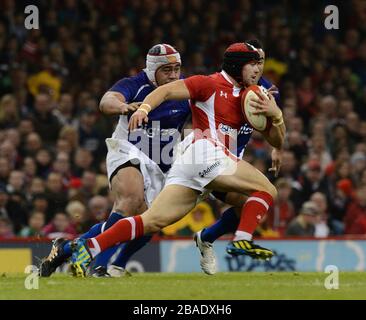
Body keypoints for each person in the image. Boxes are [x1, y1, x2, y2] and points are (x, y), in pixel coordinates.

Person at [70, 42, 286, 277]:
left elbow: (277, 140)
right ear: (236, 66)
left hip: (195, 164)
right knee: (267, 190)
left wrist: (277, 116)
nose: (258, 69)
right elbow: (167, 91)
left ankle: (89, 247)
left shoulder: (256, 95)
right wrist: (143, 109)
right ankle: (242, 240)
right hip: (207, 153)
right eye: (252, 64)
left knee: (152, 221)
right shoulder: (210, 82)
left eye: (260, 63)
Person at [39, 43, 191, 277]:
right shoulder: (135, 84)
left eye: (177, 69)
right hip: (128, 149)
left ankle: (74, 250)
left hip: (162, 164)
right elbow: (106, 101)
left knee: (152, 221)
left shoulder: (185, 90)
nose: (173, 75)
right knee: (131, 198)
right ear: (152, 70)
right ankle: (98, 266)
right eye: (166, 70)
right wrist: (123, 107)